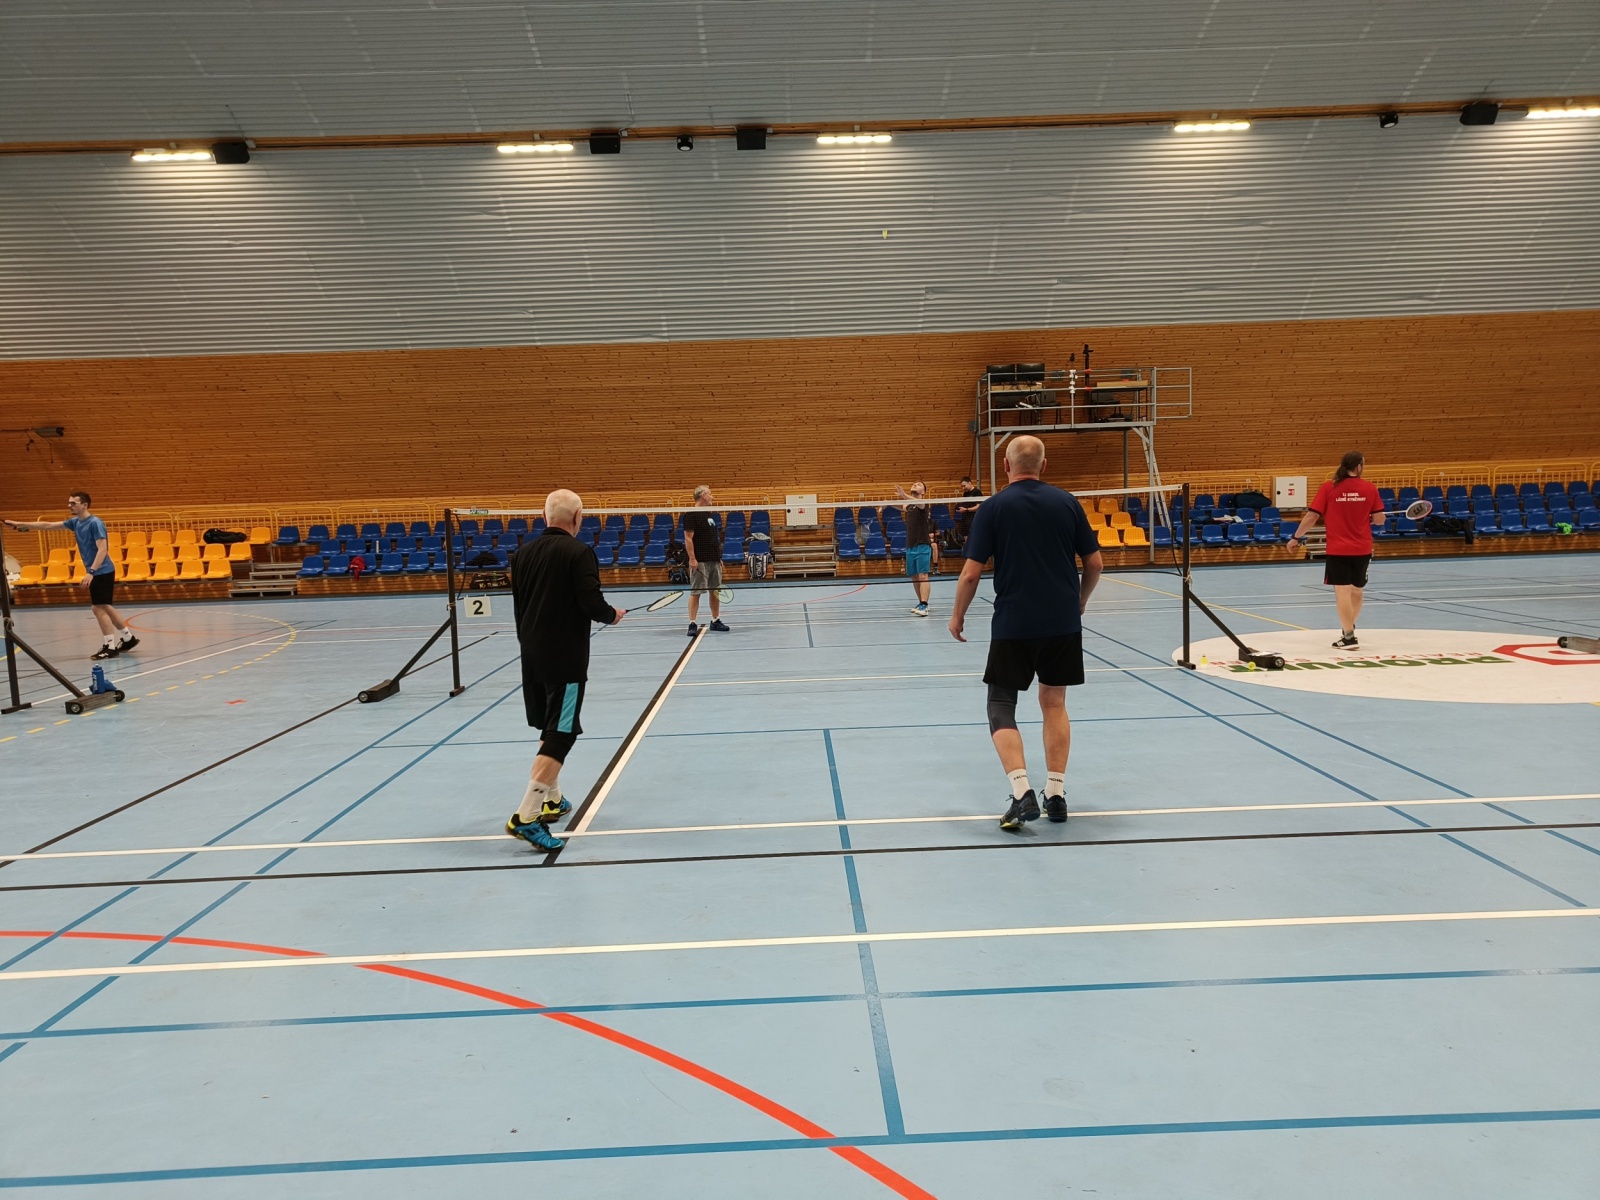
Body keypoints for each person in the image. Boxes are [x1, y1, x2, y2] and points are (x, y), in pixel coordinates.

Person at [948, 436, 1103, 831]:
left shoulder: (993, 507)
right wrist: (1080, 601)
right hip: (1062, 623)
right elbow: (1095, 563)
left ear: (1006, 466)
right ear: (1043, 465)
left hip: (1014, 623)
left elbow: (971, 573)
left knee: (1000, 704)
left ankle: (1022, 792)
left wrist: (957, 616)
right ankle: (1056, 793)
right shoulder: (1067, 503)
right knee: (1054, 703)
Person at [505, 488, 622, 852]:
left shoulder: (523, 553)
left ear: (545, 517)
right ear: (577, 518)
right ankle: (526, 816)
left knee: (549, 724)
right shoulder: (579, 552)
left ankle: (552, 799)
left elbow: (520, 605)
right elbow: (591, 602)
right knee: (562, 732)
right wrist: (611, 615)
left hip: (531, 654)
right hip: (565, 659)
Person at [3, 492, 138, 660]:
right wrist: (19, 524)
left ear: (84, 505)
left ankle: (109, 646)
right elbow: (48, 525)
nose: (70, 506)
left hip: (102, 571)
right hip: (98, 571)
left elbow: (103, 549)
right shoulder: (75, 522)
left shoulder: (95, 523)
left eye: (73, 503)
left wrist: (91, 572)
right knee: (106, 606)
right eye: (69, 503)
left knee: (98, 607)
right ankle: (128, 638)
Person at [1285, 451, 1386, 650]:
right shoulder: (1369, 488)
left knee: (1342, 592)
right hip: (1363, 548)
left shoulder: (1329, 487)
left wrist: (1296, 537)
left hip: (1338, 549)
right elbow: (1379, 520)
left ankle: (1348, 636)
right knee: (1357, 590)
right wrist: (1373, 516)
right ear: (1359, 466)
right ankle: (1349, 629)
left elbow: (1312, 517)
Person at [682, 485, 730, 637]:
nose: (712, 497)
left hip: (713, 560)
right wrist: (692, 559)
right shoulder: (691, 515)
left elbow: (712, 538)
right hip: (700, 561)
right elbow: (688, 538)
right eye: (710, 494)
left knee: (715, 591)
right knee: (696, 592)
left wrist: (718, 557)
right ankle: (692, 623)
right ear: (702, 495)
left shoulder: (710, 515)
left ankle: (715, 620)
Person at [892, 480, 937, 616]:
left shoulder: (923, 504)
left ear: (923, 492)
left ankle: (924, 604)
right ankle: (920, 602)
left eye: (918, 485)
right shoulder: (910, 506)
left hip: (922, 544)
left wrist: (904, 495)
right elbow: (902, 507)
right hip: (910, 545)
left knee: (923, 575)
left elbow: (919, 503)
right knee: (915, 576)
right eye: (914, 484)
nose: (915, 485)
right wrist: (887, 503)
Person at [955, 476, 984, 544]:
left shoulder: (977, 492)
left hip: (973, 518)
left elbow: (978, 506)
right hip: (965, 518)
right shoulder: (965, 493)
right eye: (962, 486)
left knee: (974, 537)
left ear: (969, 483)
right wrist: (962, 509)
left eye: (964, 486)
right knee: (966, 537)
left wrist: (966, 509)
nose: (963, 488)